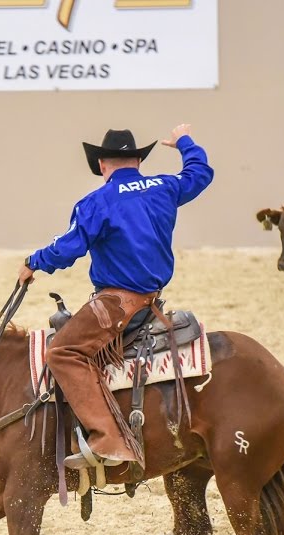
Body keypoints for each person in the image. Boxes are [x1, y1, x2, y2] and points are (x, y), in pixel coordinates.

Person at [17, 124, 214, 469]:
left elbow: (68, 250)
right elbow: (200, 173)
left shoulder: (95, 202)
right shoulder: (165, 186)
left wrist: (34, 262)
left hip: (116, 304)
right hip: (152, 299)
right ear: (138, 160)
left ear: (102, 165)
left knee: (62, 351)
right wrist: (184, 140)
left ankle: (109, 439)